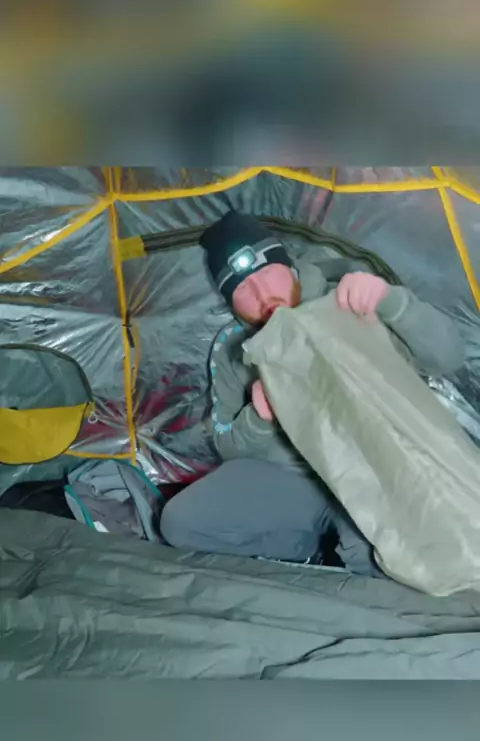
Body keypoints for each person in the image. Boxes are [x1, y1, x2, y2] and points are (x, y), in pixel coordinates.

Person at [160, 210, 466, 574]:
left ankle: (348, 552)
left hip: (376, 467)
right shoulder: (232, 347)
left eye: (267, 273)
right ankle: (305, 551)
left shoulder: (348, 298)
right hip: (295, 478)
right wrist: (258, 418)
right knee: (181, 523)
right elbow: (226, 444)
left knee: (379, 562)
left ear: (288, 265)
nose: (261, 295)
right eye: (242, 289)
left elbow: (449, 355)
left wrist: (392, 301)